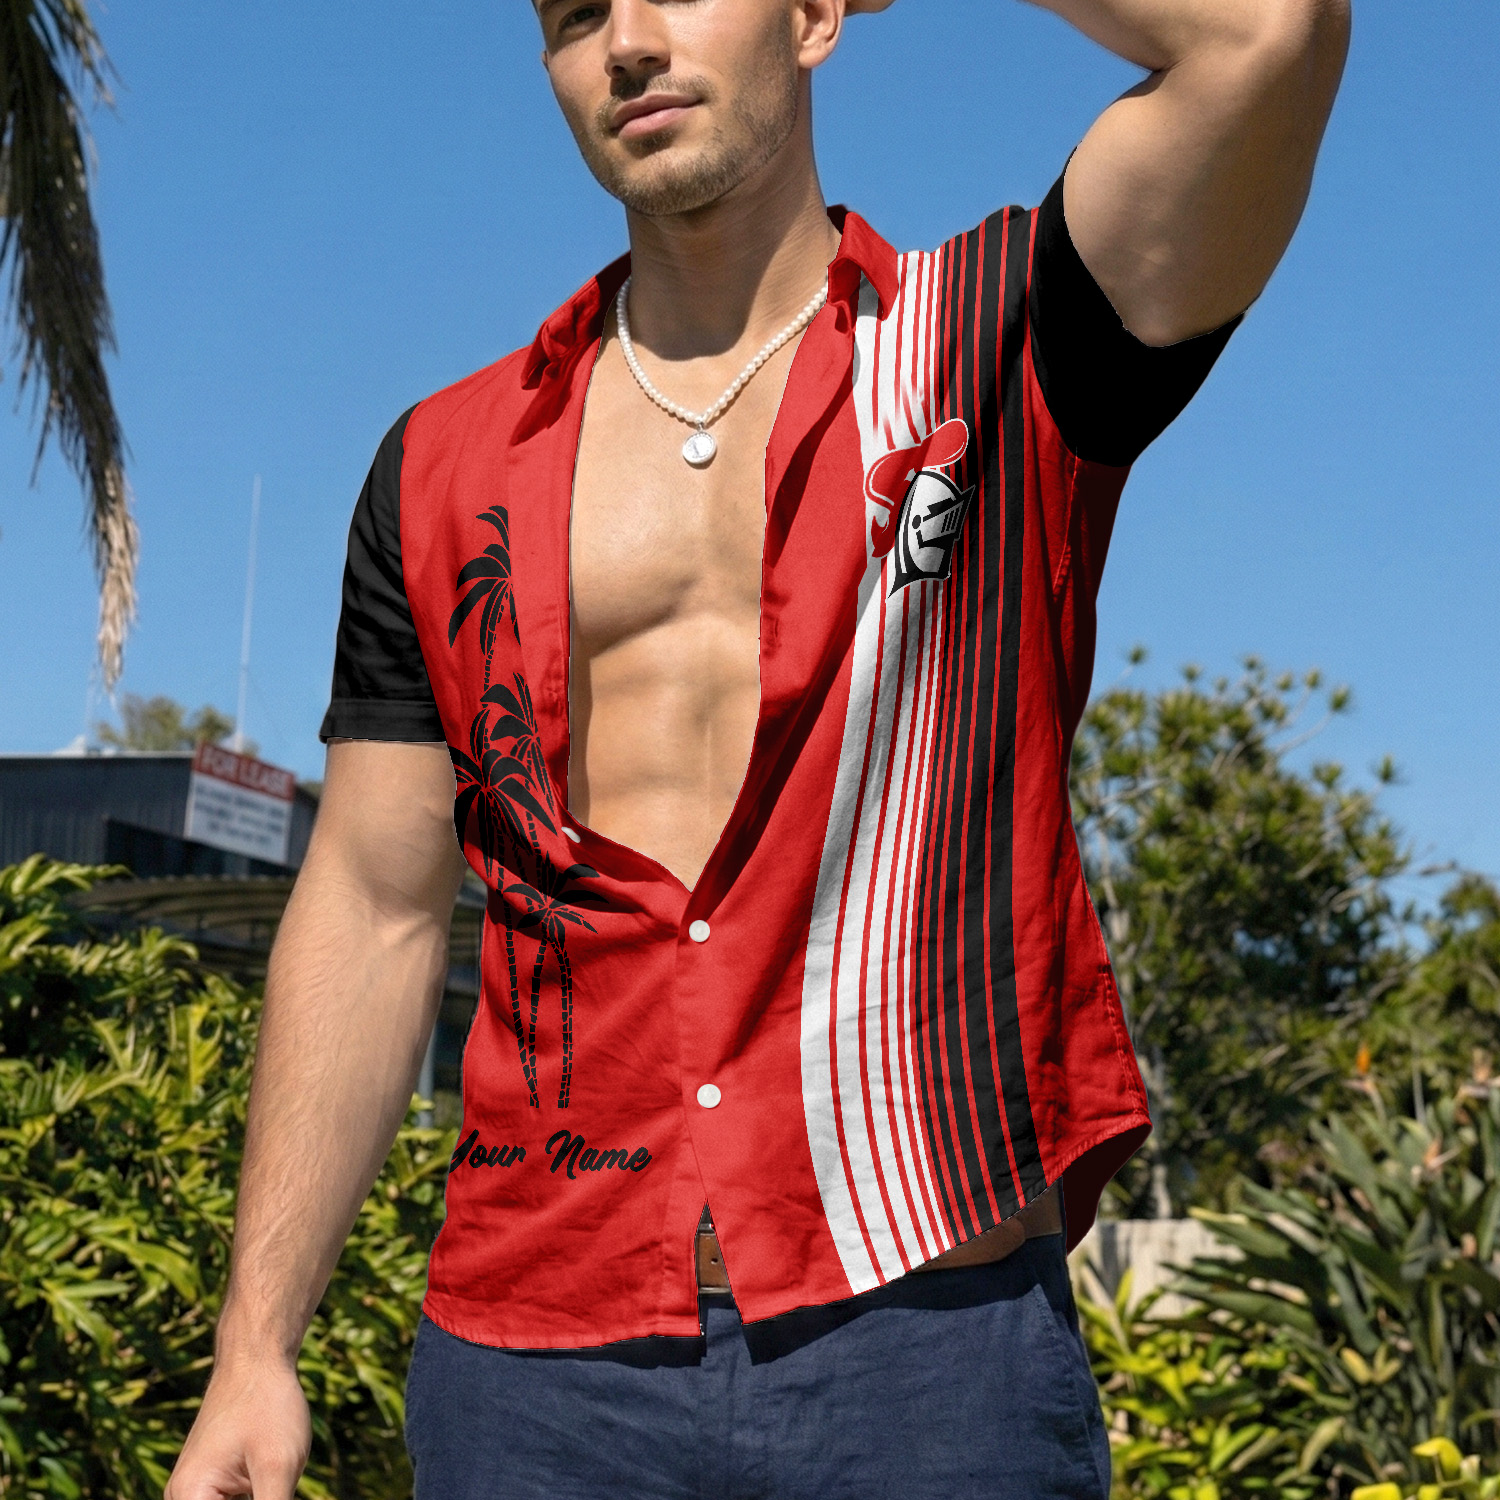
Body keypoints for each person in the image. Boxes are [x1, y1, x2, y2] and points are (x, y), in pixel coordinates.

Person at [167, 0, 1349, 1495]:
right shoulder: (439, 467)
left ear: (815, 16)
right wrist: (254, 1344)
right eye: (575, 14)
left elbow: (1266, 35)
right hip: (537, 1363)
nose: (627, 41)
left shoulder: (998, 342)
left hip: (927, 1337)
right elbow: (372, 902)